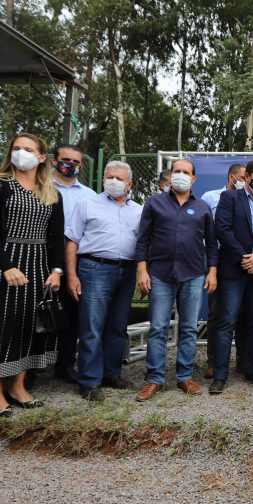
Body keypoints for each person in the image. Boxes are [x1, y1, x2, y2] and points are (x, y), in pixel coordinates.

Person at [0, 133, 65, 417]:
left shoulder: (52, 192)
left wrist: (56, 271)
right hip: (0, 265)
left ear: (42, 157)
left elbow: (56, 237)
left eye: (28, 149)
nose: (21, 153)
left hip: (38, 265)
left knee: (30, 326)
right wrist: (6, 266)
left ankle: (17, 387)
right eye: (16, 148)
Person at [135, 159, 218, 401]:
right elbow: (143, 239)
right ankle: (154, 379)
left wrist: (212, 271)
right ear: (170, 176)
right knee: (158, 327)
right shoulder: (154, 202)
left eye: (186, 172)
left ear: (193, 179)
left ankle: (184, 377)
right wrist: (142, 270)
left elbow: (211, 243)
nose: (180, 175)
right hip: (159, 274)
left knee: (189, 328)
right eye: (177, 171)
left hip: (193, 274)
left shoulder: (202, 207)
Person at [65, 161, 142, 401]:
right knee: (92, 326)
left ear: (129, 184)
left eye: (119, 178)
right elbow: (72, 241)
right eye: (110, 177)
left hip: (127, 271)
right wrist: (71, 275)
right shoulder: (86, 204)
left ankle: (111, 373)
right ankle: (89, 381)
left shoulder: (139, 210)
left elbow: (144, 244)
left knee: (117, 326)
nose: (114, 181)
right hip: (94, 268)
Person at [211, 160, 253, 394]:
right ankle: (220, 375)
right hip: (234, 269)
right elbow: (222, 229)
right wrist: (244, 258)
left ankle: (252, 369)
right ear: (247, 177)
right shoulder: (229, 198)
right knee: (226, 322)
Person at [49, 144, 96, 384]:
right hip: (42, 256)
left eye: (76, 161)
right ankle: (32, 366)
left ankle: (65, 364)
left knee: (73, 313)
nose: (71, 164)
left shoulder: (89, 195)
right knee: (38, 311)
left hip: (76, 260)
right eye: (66, 159)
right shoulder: (40, 188)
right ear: (53, 161)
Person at [201, 163, 248, 379]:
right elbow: (201, 228)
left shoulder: (249, 199)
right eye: (242, 177)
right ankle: (213, 361)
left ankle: (242, 360)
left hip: (243, 261)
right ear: (232, 177)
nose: (245, 181)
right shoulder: (211, 197)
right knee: (216, 312)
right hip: (217, 261)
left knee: (243, 313)